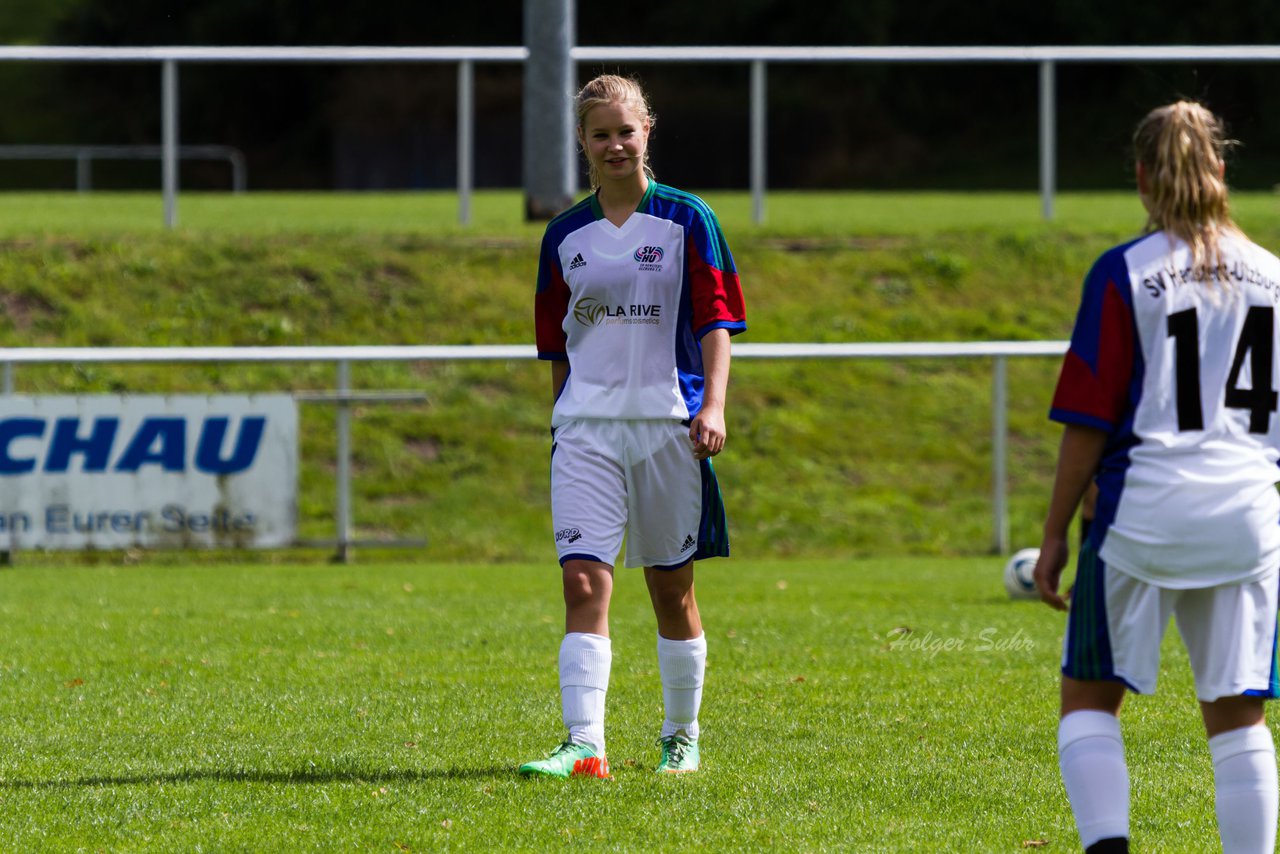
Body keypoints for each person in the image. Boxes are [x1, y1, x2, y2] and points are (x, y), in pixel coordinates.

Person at [1034, 100, 1280, 853]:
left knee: (1089, 700)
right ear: (1222, 172)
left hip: (1146, 515)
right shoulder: (1273, 275)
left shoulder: (1124, 273)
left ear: (1142, 178)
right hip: (1247, 517)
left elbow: (1089, 420)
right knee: (1238, 716)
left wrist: (1052, 536)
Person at [520, 74, 747, 779]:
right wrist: (563, 418)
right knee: (583, 583)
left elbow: (717, 320)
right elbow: (556, 344)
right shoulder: (565, 234)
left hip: (666, 428)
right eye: (600, 134)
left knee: (670, 589)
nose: (614, 145)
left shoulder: (687, 219)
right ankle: (584, 743)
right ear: (582, 145)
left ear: (647, 131)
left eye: (626, 131)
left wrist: (712, 405)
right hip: (586, 432)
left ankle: (681, 734)